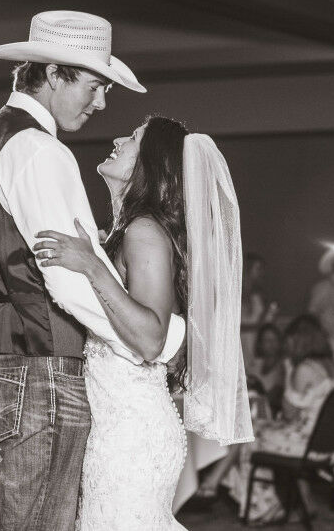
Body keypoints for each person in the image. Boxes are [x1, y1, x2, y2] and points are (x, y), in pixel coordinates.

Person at [0, 11, 186, 530]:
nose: (100, 104)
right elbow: (70, 284)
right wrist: (144, 345)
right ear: (54, 74)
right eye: (95, 87)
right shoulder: (41, 150)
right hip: (45, 367)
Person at [34, 116, 253, 529]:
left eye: (132, 138)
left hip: (130, 438)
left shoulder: (144, 231)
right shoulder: (133, 230)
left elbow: (151, 339)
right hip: (119, 428)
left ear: (149, 163)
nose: (117, 139)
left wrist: (92, 268)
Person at [225, 314, 334, 523]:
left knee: (249, 434)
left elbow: (289, 414)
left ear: (298, 340)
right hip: (326, 443)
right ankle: (284, 501)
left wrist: (290, 371)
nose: (285, 344)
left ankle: (263, 507)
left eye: (288, 339)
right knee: (257, 427)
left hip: (305, 443)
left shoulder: (304, 369)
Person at [241, 253, 278, 372]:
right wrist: (258, 327)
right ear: (247, 269)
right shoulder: (235, 295)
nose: (262, 272)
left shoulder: (259, 295)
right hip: (241, 343)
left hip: (257, 343)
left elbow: (265, 321)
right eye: (258, 268)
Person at [251, 323, 286, 414]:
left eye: (274, 339)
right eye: (267, 340)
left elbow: (275, 396)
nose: (271, 344)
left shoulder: (284, 366)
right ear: (260, 344)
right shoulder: (255, 364)